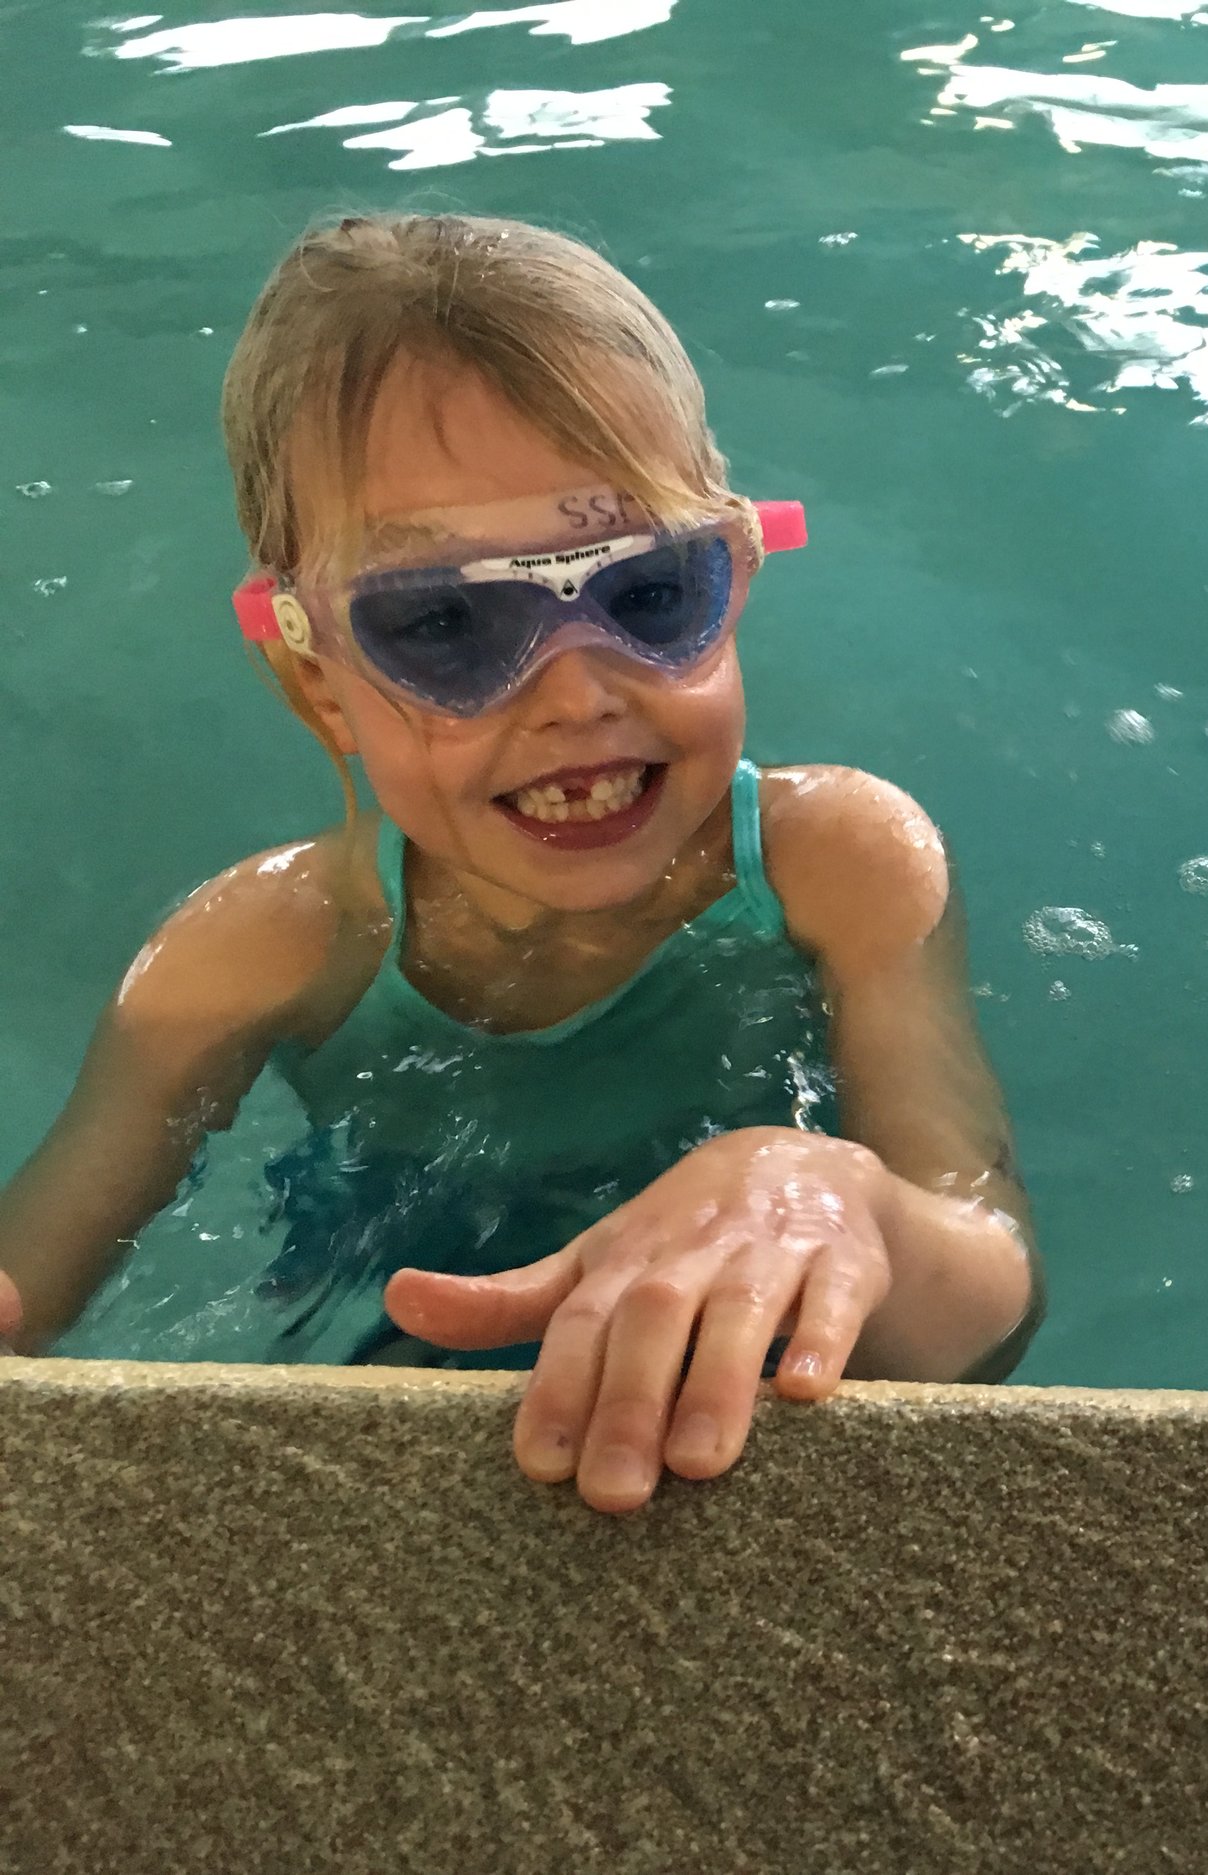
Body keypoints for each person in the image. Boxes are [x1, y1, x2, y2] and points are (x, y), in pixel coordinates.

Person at [0, 213, 1039, 1513]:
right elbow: (25, 1285)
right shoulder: (256, 952)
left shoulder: (845, 865)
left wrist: (843, 1200)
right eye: (445, 622)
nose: (574, 696)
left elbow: (987, 1287)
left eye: (650, 591)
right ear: (316, 678)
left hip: (757, 1369)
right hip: (392, 1343)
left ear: (738, 579)